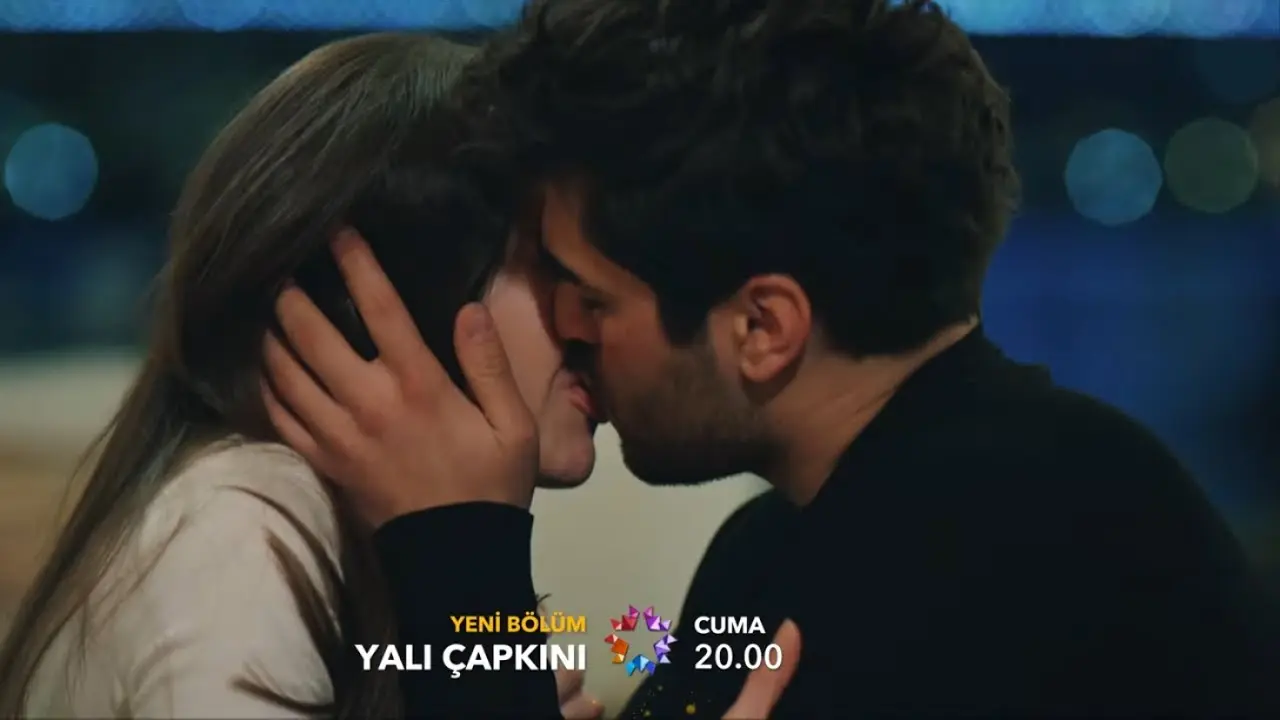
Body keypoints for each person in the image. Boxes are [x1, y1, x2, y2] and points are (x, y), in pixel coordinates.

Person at [264, 0, 1280, 718]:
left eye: (590, 294)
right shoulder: (789, 544)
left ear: (761, 328)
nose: (564, 327)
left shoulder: (1020, 567)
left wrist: (456, 550)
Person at [0, 33, 603, 719]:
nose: (585, 319)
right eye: (550, 265)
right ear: (397, 289)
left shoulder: (355, 533)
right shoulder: (245, 530)